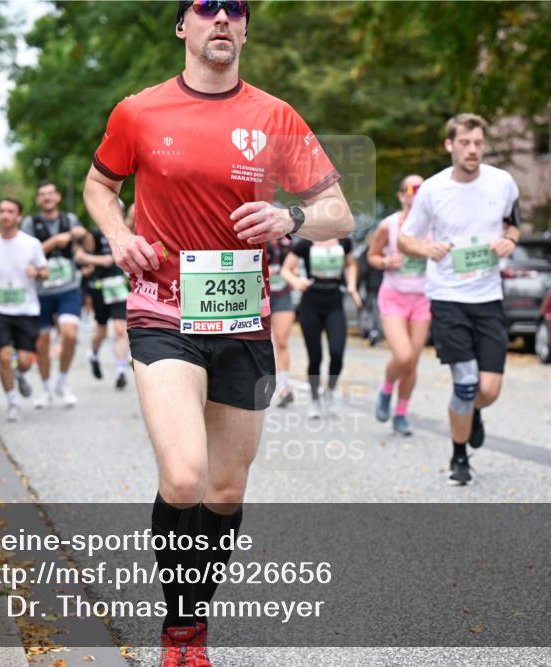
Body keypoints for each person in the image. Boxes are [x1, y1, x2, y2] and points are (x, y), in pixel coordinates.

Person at [81, 1, 353, 663]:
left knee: (224, 490)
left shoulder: (274, 115)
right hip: (162, 309)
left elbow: (337, 212)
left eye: (237, 8)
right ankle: (179, 630)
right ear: (184, 26)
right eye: (207, 7)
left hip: (243, 318)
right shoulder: (139, 111)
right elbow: (99, 184)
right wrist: (118, 236)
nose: (223, 17)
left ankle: (194, 622)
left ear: (246, 29)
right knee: (183, 479)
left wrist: (291, 218)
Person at [398, 114, 522, 484]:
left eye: (478, 143)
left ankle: (471, 413)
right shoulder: (433, 191)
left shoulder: (503, 183)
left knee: (488, 390)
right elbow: (406, 238)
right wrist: (427, 248)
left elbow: (514, 223)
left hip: (488, 297)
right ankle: (459, 457)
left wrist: (510, 240)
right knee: (466, 383)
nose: (472, 150)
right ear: (449, 145)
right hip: (448, 296)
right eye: (465, 142)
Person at [21, 180, 93, 408]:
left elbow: (89, 246)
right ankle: (44, 388)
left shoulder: (70, 220)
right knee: (42, 342)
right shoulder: (30, 224)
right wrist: (53, 242)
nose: (47, 198)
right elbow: (24, 255)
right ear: (37, 200)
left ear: (58, 197)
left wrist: (84, 235)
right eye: (42, 195)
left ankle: (62, 381)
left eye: (51, 193)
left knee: (69, 334)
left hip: (68, 288)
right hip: (41, 292)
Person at [368, 175, 429, 436]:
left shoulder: (435, 225)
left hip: (423, 299)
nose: (416, 193)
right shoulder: (388, 225)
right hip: (393, 296)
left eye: (422, 188)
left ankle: (401, 413)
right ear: (401, 195)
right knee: (402, 355)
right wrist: (385, 263)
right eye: (412, 188)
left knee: (412, 363)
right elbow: (371, 255)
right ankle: (386, 388)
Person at [0, 198, 47, 422]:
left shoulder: (32, 244)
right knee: (4, 357)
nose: (5, 215)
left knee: (25, 361)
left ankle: (19, 374)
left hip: (26, 309)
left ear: (18, 217)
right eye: (2, 211)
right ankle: (12, 401)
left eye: (10, 211)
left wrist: (36, 273)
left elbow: (45, 272)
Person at [281, 236, 361, 418]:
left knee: (337, 352)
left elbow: (350, 265)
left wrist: (352, 285)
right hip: (311, 302)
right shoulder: (306, 243)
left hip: (334, 301)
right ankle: (315, 399)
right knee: (315, 356)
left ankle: (331, 390)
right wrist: (296, 282)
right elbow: (286, 270)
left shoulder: (344, 242)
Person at [77, 217, 131, 390]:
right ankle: (93, 354)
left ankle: (121, 370)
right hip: (99, 287)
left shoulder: (125, 232)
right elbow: (80, 256)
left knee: (120, 329)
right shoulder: (94, 233)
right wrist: (101, 261)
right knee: (101, 331)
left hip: (118, 286)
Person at [266, 237, 295, 406]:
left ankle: (284, 388)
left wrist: (292, 274)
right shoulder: (258, 239)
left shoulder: (289, 245)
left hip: (282, 296)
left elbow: (295, 267)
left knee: (281, 341)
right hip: (260, 296)